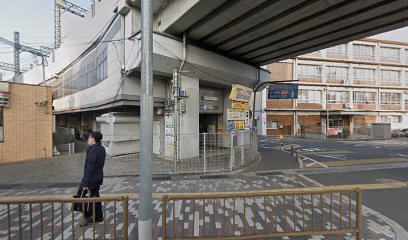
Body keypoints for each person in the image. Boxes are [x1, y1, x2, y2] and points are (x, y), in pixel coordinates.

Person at [77, 131, 106, 226]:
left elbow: (90, 168)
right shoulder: (101, 149)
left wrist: (85, 184)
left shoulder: (93, 151)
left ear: (93, 139)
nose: (88, 140)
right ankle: (99, 216)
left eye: (89, 138)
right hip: (98, 178)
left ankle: (86, 216)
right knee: (95, 196)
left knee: (81, 197)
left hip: (91, 179)